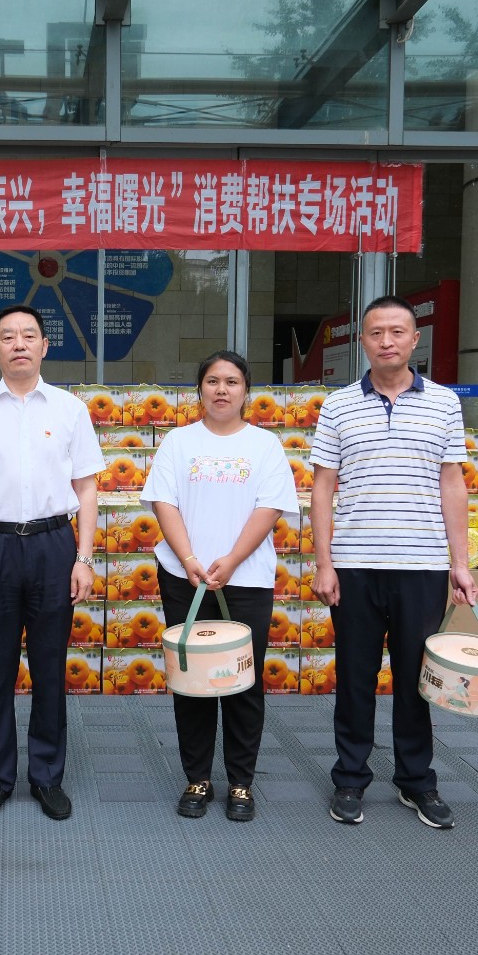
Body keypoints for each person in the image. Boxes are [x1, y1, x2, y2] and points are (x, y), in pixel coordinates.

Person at [309, 295, 477, 830]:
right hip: (354, 564)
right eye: (377, 332)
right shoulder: (338, 406)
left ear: (414, 339)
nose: (387, 341)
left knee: (415, 679)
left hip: (422, 564)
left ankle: (416, 781)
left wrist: (460, 563)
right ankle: (350, 778)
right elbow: (322, 488)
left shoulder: (444, 403)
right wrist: (324, 563)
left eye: (397, 332)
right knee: (355, 677)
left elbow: (452, 484)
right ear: (363, 341)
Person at [0, 304, 102, 821]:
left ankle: (46, 776)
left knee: (49, 666)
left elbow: (86, 488)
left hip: (53, 545)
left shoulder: (69, 409)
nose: (19, 343)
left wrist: (83, 557)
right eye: (8, 336)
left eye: (29, 335)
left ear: (44, 346)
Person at [142, 350, 300, 822]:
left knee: (242, 683)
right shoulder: (178, 442)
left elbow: (269, 508)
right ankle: (197, 777)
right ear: (200, 390)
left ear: (246, 391)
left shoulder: (265, 445)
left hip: (245, 580)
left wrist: (231, 560)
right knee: (191, 681)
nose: (222, 390)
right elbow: (164, 502)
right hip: (184, 578)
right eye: (212, 381)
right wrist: (189, 559)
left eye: (232, 381)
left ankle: (240, 782)